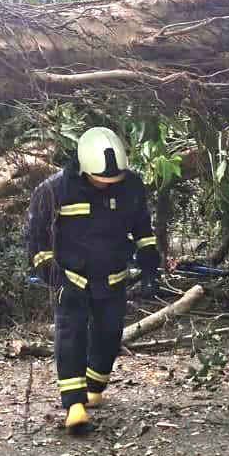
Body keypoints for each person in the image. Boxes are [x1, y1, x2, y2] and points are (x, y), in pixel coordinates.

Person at [26, 127, 160, 435]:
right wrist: (53, 276)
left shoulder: (132, 186)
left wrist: (150, 260)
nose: (109, 185)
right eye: (102, 180)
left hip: (113, 278)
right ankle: (74, 405)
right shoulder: (54, 190)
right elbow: (36, 239)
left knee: (109, 335)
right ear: (85, 168)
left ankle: (96, 386)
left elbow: (142, 227)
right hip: (72, 280)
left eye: (114, 180)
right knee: (70, 337)